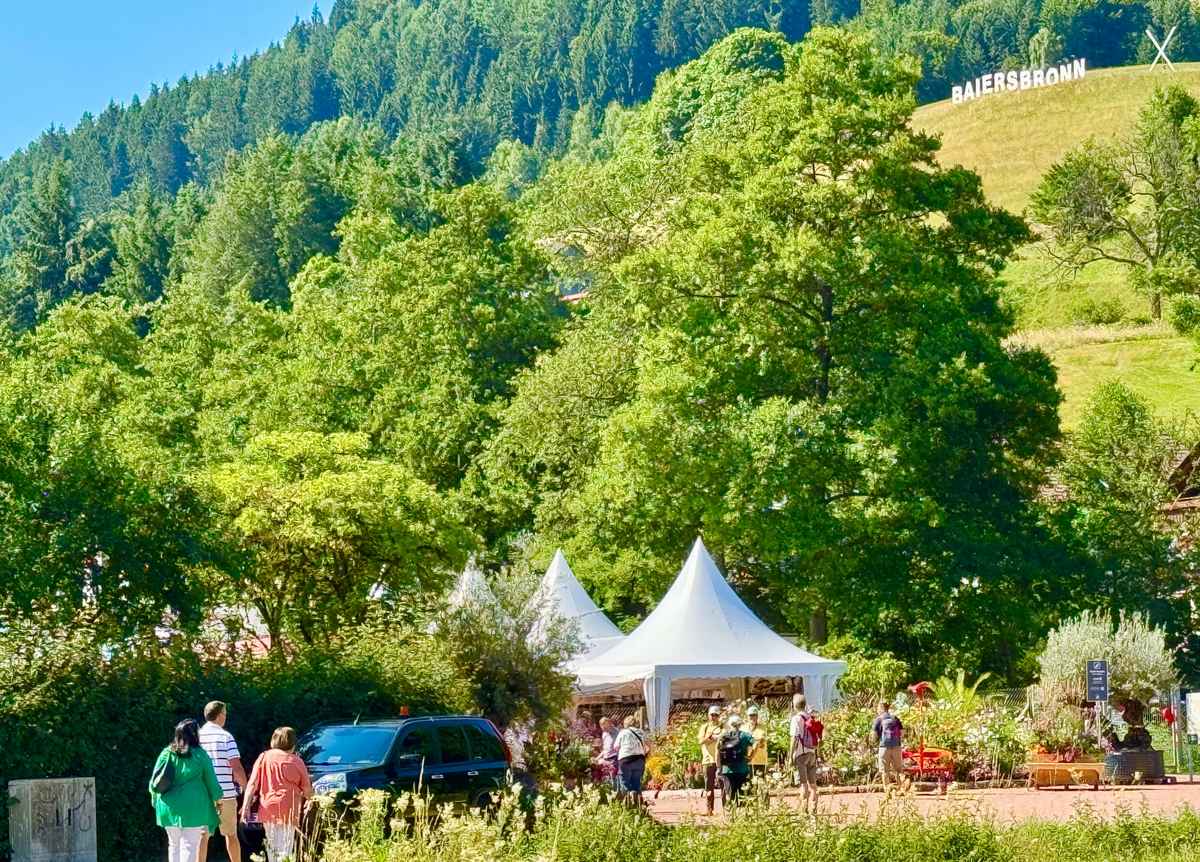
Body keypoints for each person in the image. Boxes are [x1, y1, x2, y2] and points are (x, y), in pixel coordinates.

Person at [149, 719, 223, 862]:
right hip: (194, 807)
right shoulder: (200, 755)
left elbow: (154, 782)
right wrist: (218, 800)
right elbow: (212, 782)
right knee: (189, 845)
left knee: (173, 845)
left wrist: (154, 800)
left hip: (168, 808)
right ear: (195, 734)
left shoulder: (166, 753)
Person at [242, 727, 313, 862]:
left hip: (268, 808)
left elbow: (252, 784)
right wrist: (312, 799)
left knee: (272, 846)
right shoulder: (296, 761)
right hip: (289, 809)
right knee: (286, 848)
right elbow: (307, 790)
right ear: (292, 743)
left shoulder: (263, 757)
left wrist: (246, 807)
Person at [198, 701, 248, 862]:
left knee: (202, 836)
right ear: (220, 715)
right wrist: (246, 787)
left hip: (203, 794)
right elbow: (236, 766)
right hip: (225, 793)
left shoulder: (196, 737)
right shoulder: (226, 737)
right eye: (225, 713)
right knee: (231, 834)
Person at [788, 694, 820, 815]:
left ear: (794, 705)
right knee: (813, 784)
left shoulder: (796, 719)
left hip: (801, 754)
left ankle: (804, 809)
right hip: (812, 753)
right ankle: (814, 808)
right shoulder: (810, 717)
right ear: (805, 704)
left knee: (803, 783)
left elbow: (794, 738)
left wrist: (791, 755)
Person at [716, 714, 755, 806]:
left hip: (727, 769)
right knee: (743, 794)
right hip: (742, 769)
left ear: (729, 724)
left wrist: (718, 767)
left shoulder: (723, 736)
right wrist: (751, 756)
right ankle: (742, 812)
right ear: (740, 724)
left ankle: (732, 812)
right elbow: (756, 743)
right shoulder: (745, 735)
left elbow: (717, 751)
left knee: (730, 794)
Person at [615, 715, 649, 807]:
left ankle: (627, 804)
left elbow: (616, 747)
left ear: (625, 724)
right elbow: (648, 746)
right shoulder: (641, 732)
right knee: (636, 782)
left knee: (625, 782)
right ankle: (638, 804)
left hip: (625, 760)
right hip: (639, 759)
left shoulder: (623, 732)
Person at [697, 705, 723, 815]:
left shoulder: (722, 727)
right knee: (709, 786)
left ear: (719, 716)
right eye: (712, 715)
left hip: (721, 761)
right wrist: (711, 738)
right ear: (708, 715)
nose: (714, 717)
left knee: (723, 785)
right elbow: (701, 741)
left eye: (716, 715)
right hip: (708, 760)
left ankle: (726, 809)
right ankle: (709, 810)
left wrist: (714, 739)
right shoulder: (705, 727)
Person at [872, 700, 905, 786]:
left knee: (884, 771)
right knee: (898, 770)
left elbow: (874, 735)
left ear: (881, 708)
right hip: (896, 747)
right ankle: (901, 788)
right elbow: (902, 732)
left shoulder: (879, 719)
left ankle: (887, 790)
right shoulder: (895, 718)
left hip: (884, 747)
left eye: (878, 708)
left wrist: (874, 742)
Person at [746, 706, 768, 782]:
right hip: (747, 760)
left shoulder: (762, 728)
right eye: (750, 715)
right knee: (748, 784)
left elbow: (759, 741)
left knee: (760, 782)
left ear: (757, 716)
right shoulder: (743, 728)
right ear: (747, 716)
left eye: (754, 715)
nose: (752, 717)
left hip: (760, 760)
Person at [597, 716, 620, 788]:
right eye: (602, 728)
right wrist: (597, 758)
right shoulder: (604, 734)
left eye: (605, 727)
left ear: (609, 723)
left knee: (614, 778)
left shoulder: (617, 732)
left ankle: (616, 792)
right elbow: (605, 749)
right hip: (606, 758)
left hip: (614, 758)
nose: (604, 729)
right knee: (606, 778)